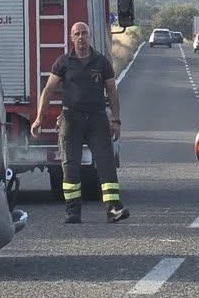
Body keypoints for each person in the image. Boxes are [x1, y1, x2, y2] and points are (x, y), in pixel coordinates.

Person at [30, 22, 130, 224]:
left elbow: (112, 91)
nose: (81, 37)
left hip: (97, 119)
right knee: (70, 166)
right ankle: (73, 212)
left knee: (106, 163)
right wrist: (39, 118)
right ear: (71, 37)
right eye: (77, 34)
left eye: (84, 33)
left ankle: (113, 208)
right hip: (71, 119)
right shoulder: (63, 62)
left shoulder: (101, 62)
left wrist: (116, 120)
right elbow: (48, 90)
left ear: (89, 36)